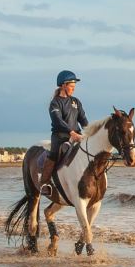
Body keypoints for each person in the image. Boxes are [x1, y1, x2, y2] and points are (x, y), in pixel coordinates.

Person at [39, 70, 87, 198]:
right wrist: (71, 133)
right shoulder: (55, 103)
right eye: (71, 87)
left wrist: (89, 132)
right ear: (63, 85)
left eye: (74, 87)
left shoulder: (76, 102)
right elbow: (58, 121)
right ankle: (44, 183)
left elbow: (83, 119)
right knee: (55, 153)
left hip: (77, 135)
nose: (73, 89)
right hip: (60, 136)